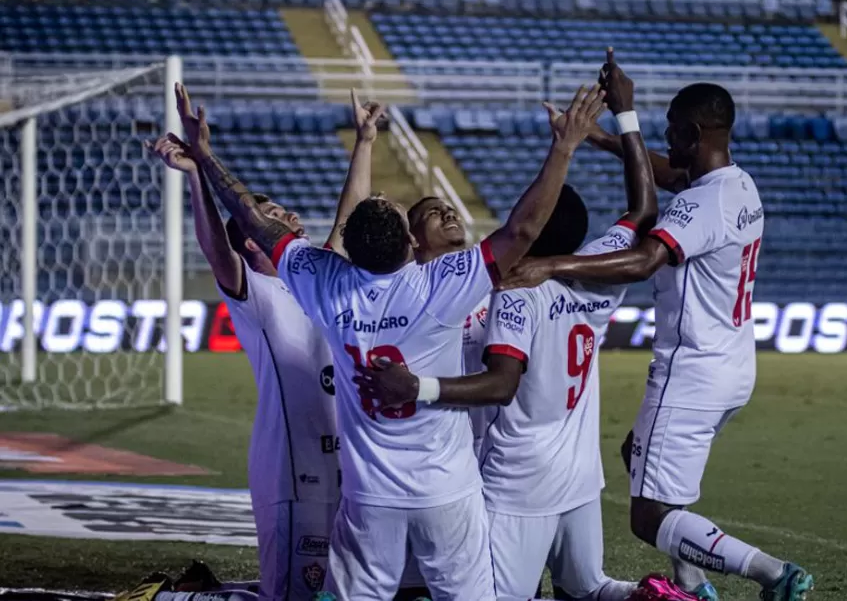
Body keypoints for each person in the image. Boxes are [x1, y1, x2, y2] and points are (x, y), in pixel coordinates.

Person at [189, 84, 607, 601]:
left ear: (348, 253)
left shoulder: (325, 285)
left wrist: (205, 158)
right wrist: (562, 148)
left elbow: (253, 221)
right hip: (447, 490)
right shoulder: (439, 283)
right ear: (412, 243)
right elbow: (522, 230)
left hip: (370, 497)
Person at [356, 50, 678, 601]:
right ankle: (651, 595)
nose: (449, 214)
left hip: (507, 477)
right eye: (432, 213)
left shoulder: (505, 288)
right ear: (411, 243)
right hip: (569, 475)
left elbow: (500, 380)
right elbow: (642, 212)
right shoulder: (590, 274)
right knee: (586, 586)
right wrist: (622, 122)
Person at [497, 81, 814, 601]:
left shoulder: (700, 205)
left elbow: (645, 260)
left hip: (690, 370)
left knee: (648, 517)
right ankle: (692, 581)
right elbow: (664, 175)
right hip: (733, 366)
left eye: (672, 131)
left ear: (692, 133)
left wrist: (549, 264)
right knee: (635, 451)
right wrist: (603, 134)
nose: (666, 142)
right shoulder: (738, 185)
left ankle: (773, 574)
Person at [148, 84, 340, 601]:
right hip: (292, 471)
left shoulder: (320, 281)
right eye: (277, 215)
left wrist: (364, 143)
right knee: (292, 594)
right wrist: (196, 176)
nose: (292, 218)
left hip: (346, 467)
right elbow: (216, 251)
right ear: (254, 240)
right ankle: (177, 596)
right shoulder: (255, 290)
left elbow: (345, 222)